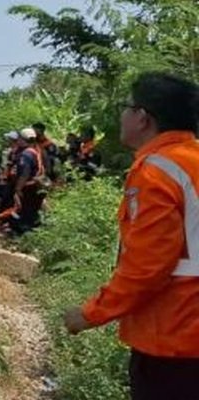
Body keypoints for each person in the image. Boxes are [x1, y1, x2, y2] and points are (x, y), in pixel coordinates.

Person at [64, 72, 199, 398]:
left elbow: (148, 266)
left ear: (143, 118)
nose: (121, 114)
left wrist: (88, 314)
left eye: (126, 106)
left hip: (174, 339)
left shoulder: (156, 171)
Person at [0, 128, 46, 235]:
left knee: (17, 210)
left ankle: (5, 228)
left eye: (20, 139)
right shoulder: (36, 151)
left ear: (23, 139)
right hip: (35, 188)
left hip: (27, 188)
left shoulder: (26, 154)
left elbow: (24, 174)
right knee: (28, 213)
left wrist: (18, 189)